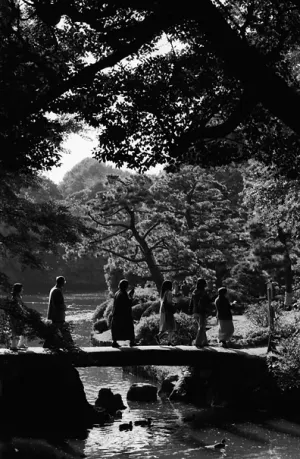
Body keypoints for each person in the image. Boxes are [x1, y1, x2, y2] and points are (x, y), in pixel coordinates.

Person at [44, 276, 74, 349]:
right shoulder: (57, 291)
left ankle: (47, 344)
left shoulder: (53, 289)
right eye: (64, 282)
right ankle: (71, 345)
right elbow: (58, 304)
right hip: (58, 315)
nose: (64, 284)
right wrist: (65, 308)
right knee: (64, 330)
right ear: (62, 282)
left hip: (54, 315)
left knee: (53, 330)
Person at [111, 279, 135, 348]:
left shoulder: (117, 293)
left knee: (116, 329)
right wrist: (131, 296)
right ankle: (132, 342)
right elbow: (127, 303)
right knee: (129, 328)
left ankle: (114, 342)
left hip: (116, 315)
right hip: (124, 315)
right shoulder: (123, 293)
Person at [189, 278, 211, 347]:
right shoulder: (203, 292)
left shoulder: (194, 291)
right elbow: (208, 302)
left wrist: (190, 310)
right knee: (201, 327)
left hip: (195, 311)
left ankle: (205, 342)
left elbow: (191, 302)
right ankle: (198, 342)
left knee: (202, 327)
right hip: (202, 311)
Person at [155, 280, 177, 345]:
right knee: (171, 326)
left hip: (164, 311)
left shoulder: (164, 293)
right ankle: (168, 341)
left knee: (167, 326)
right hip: (169, 311)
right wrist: (174, 304)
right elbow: (169, 302)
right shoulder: (169, 292)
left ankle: (165, 339)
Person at [9, 283, 28, 350]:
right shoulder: (15, 298)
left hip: (19, 316)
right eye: (22, 288)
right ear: (19, 289)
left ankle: (21, 344)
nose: (23, 290)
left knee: (22, 329)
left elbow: (22, 306)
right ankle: (13, 346)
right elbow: (17, 307)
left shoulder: (18, 297)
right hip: (15, 316)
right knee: (14, 331)